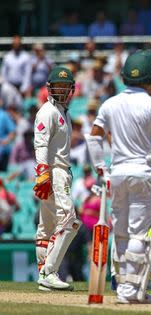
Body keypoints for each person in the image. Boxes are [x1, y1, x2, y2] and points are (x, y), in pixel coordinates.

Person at [86, 50, 151, 304]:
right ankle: (131, 291)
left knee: (123, 232)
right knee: (139, 234)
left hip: (117, 174)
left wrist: (101, 169)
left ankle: (126, 287)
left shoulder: (111, 103)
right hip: (144, 172)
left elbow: (94, 135)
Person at [33, 66, 80, 291]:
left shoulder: (63, 111)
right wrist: (43, 172)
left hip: (60, 172)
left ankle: (44, 272)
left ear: (71, 89)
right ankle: (48, 272)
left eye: (65, 86)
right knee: (69, 220)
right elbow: (40, 142)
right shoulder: (48, 111)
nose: (61, 89)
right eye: (58, 86)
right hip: (54, 172)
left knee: (48, 227)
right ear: (50, 88)